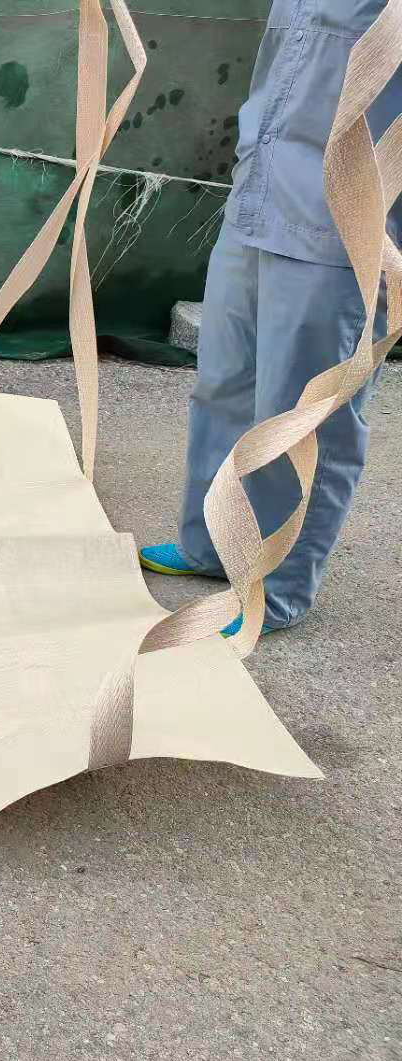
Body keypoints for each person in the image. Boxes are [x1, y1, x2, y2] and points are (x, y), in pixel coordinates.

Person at [140, 0, 402, 637]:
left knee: (305, 417)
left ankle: (273, 586)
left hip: (339, 228)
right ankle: (211, 542)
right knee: (225, 384)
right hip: (258, 198)